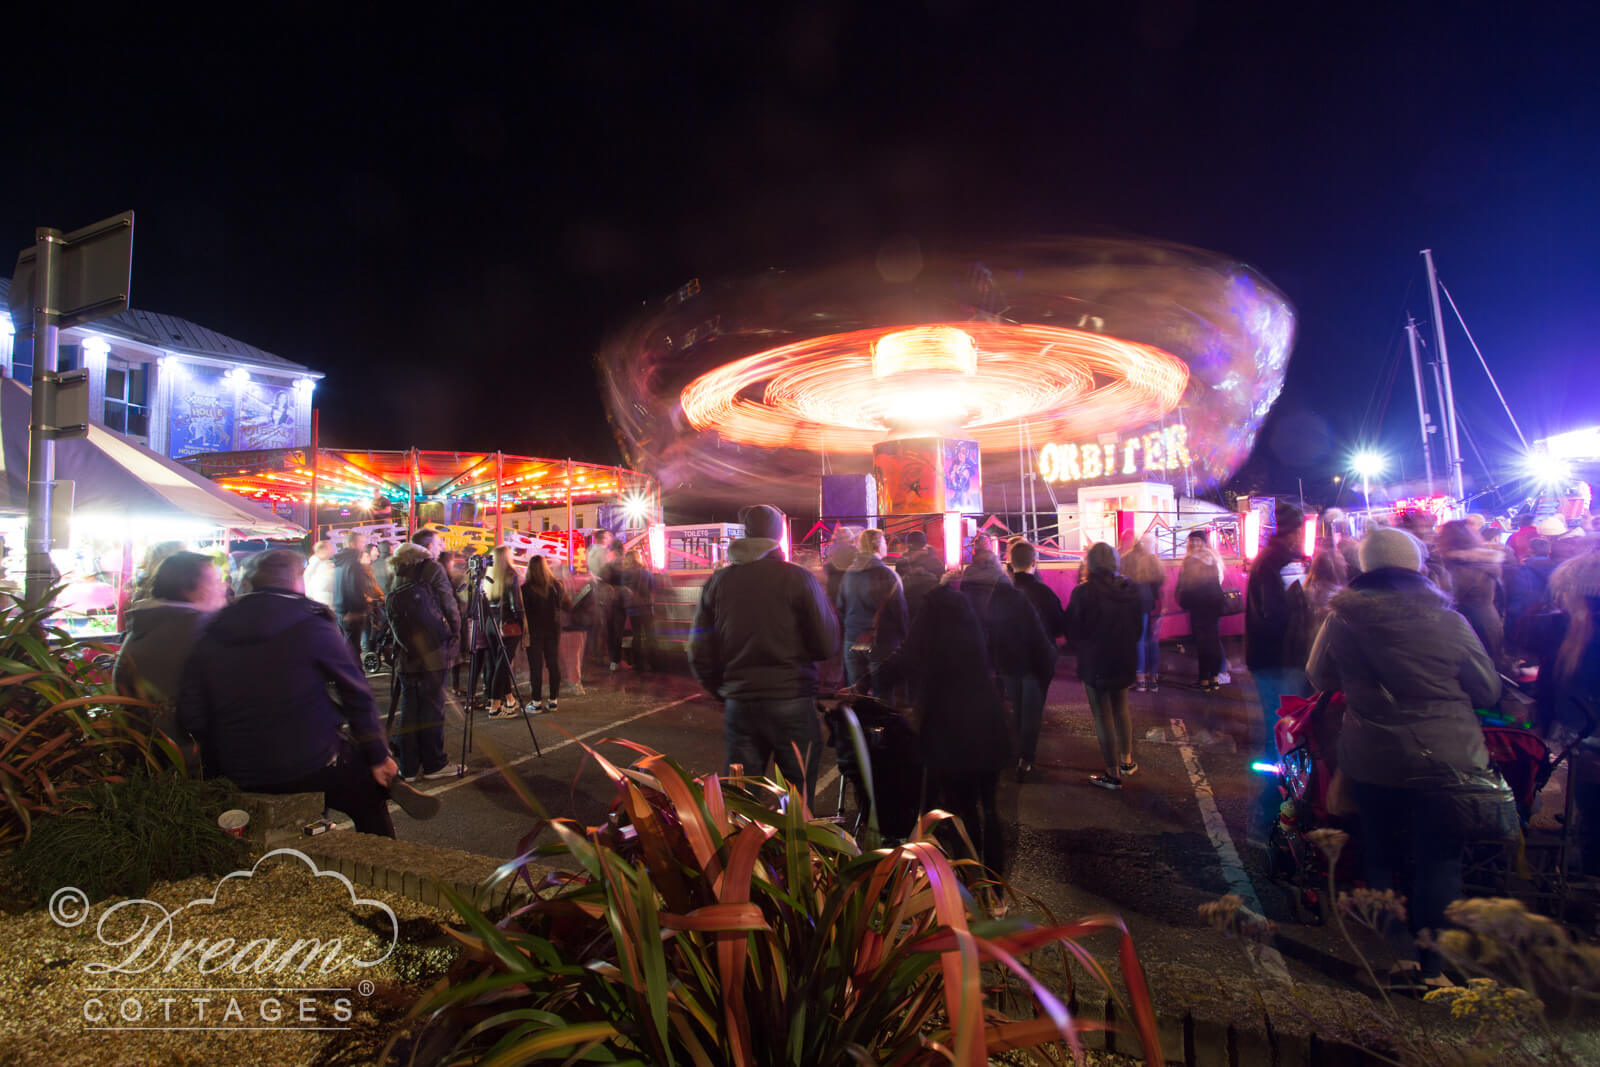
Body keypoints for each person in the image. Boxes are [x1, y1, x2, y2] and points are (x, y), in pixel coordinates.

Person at [1307, 527, 1500, 983]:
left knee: (1381, 853)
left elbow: (1318, 676)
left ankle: (1400, 954)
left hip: (1373, 755)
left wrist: (1357, 686)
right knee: (1440, 859)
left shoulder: (1342, 620)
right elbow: (1488, 688)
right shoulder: (1449, 619)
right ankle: (1434, 966)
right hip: (1449, 758)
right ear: (1416, 566)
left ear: (1365, 567)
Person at [176, 549, 438, 838]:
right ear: (296, 580)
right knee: (367, 792)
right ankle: (382, 856)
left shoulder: (211, 628)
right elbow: (355, 692)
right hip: (305, 761)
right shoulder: (309, 621)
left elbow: (191, 710)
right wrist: (378, 755)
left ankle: (322, 819)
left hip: (236, 764)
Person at [689, 504, 839, 805]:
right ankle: (794, 851)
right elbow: (826, 643)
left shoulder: (719, 582)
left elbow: (699, 650)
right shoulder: (798, 578)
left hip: (741, 704)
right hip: (792, 700)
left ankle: (744, 852)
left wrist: (723, 690)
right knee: (797, 800)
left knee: (742, 801)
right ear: (778, 536)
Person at [874, 583, 1014, 881]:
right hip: (988, 723)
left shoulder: (931, 614)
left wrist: (867, 682)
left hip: (952, 730)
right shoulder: (968, 620)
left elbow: (906, 657)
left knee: (960, 811)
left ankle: (974, 885)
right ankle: (996, 889)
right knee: (989, 809)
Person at [114, 551, 229, 771]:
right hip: (191, 764)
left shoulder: (146, 625)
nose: (223, 586)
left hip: (143, 760)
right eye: (215, 580)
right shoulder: (200, 631)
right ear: (187, 590)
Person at [1063, 543, 1144, 789]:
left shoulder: (1083, 592)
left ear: (1091, 563)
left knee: (1102, 715)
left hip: (1095, 662)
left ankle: (1112, 773)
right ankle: (1127, 760)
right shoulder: (1130, 589)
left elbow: (1072, 630)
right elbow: (1139, 629)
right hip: (1125, 659)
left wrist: (1082, 647)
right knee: (1121, 708)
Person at [1245, 504, 1313, 779]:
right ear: (1294, 531)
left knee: (1275, 719)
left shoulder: (1267, 558)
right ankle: (1285, 784)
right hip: (1281, 656)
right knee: (1285, 721)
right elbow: (1281, 612)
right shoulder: (1285, 562)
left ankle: (1278, 776)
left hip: (1265, 655)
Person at [386, 542, 456, 780]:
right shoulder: (431, 569)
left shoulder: (396, 573)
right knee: (432, 707)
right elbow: (447, 602)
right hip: (432, 649)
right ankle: (434, 763)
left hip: (406, 652)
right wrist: (455, 633)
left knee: (410, 707)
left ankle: (408, 765)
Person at [996, 540, 1060, 781]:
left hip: (1010, 660)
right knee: (1032, 711)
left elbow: (992, 626)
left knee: (1018, 708)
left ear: (1010, 563)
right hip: (1037, 661)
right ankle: (1026, 761)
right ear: (1035, 562)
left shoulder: (1002, 592)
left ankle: (1018, 755)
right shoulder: (1044, 593)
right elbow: (1059, 625)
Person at [836, 529, 909, 697]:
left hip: (853, 639)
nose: (886, 545)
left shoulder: (849, 574)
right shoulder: (889, 575)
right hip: (880, 641)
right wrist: (903, 640)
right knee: (882, 696)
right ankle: (879, 724)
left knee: (856, 696)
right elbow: (900, 613)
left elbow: (841, 607)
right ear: (878, 546)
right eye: (884, 541)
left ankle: (858, 723)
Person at [1437, 519, 1507, 668]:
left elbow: (1448, 600)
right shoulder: (1484, 561)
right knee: (1491, 665)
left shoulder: (1461, 566)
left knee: (1480, 669)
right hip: (1489, 620)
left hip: (1471, 624)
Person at [1178, 530, 1227, 694]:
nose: (1194, 543)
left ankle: (1203, 680)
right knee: (1213, 642)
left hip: (1199, 606)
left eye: (1197, 540)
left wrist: (1184, 601)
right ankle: (1214, 679)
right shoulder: (1213, 559)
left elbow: (1188, 586)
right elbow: (1218, 582)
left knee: (1202, 644)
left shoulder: (1191, 560)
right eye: (1192, 540)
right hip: (1214, 606)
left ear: (1204, 542)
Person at [481, 546, 526, 717]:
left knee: (497, 662)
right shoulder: (510, 575)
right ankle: (495, 704)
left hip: (490, 624)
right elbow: (515, 603)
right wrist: (521, 620)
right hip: (507, 625)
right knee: (502, 665)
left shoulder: (489, 575)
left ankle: (509, 699)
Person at [521, 554, 569, 710]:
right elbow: (567, 605)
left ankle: (536, 702)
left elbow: (523, 612)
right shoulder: (556, 585)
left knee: (535, 667)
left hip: (534, 631)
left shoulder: (525, 589)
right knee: (553, 664)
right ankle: (553, 700)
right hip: (552, 630)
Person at [1122, 534, 1166, 692]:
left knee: (1139, 640)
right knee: (1152, 640)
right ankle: (1152, 677)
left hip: (1134, 603)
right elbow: (1161, 581)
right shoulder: (1153, 559)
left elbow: (1122, 579)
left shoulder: (1127, 557)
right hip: (1154, 603)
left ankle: (1140, 678)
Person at [333, 530, 382, 666]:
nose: (363, 545)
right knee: (352, 651)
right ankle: (351, 683)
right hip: (351, 612)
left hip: (341, 609)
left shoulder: (340, 561)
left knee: (348, 648)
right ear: (352, 543)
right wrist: (358, 608)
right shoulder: (354, 564)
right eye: (361, 542)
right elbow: (354, 587)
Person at [620, 549, 659, 672]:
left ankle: (638, 665)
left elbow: (623, 591)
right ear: (638, 558)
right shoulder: (646, 573)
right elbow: (654, 588)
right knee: (650, 636)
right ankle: (654, 664)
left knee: (636, 636)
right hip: (646, 609)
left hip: (632, 610)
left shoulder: (624, 575)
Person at [303, 540, 336, 607]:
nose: (332, 551)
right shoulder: (314, 565)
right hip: (320, 602)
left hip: (326, 602)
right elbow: (306, 583)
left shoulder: (326, 564)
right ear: (321, 550)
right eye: (329, 548)